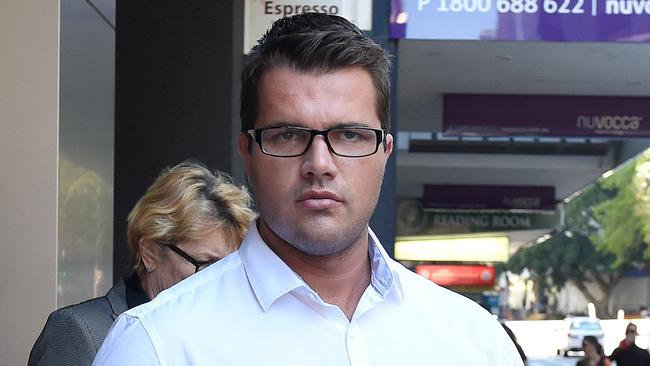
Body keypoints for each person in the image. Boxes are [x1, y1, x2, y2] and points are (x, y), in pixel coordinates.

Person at [93, 13, 524, 365]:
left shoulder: (476, 343)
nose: (319, 164)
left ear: (384, 152)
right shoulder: (156, 345)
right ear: (248, 151)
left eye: (350, 136)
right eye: (287, 135)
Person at [28, 161, 255, 366]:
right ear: (150, 252)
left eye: (226, 268)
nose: (217, 280)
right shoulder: (82, 332)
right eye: (206, 264)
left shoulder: (222, 336)